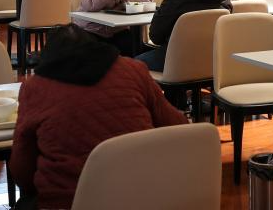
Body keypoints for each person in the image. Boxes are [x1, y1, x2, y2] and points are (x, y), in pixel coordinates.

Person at [10, 25, 186, 210]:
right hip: (141, 195)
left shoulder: (35, 88)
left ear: (47, 60)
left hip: (67, 201)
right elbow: (177, 125)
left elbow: (22, 171)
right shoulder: (133, 70)